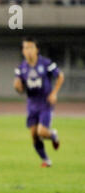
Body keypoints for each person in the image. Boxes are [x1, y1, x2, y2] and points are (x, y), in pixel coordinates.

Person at [14, 37, 64, 168]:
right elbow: (19, 87)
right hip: (32, 104)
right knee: (34, 136)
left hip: (45, 103)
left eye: (31, 47)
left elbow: (60, 76)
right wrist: (17, 86)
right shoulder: (21, 68)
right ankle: (46, 160)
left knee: (41, 132)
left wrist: (54, 93)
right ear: (23, 51)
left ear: (37, 49)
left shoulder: (46, 63)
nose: (28, 50)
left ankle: (53, 135)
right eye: (25, 48)